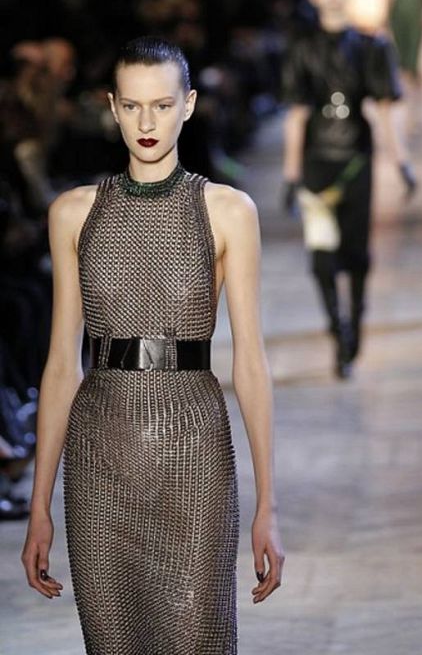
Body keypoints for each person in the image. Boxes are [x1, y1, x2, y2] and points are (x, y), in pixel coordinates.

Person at [20, 36, 284, 653]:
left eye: (162, 106)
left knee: (198, 639)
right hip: (98, 459)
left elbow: (250, 361)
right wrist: (39, 505)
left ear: (187, 105)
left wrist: (268, 505)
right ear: (112, 107)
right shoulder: (72, 214)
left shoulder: (228, 211)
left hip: (194, 451)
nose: (147, 123)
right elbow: (61, 365)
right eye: (133, 106)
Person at [281, 0, 416, 379]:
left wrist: (402, 161)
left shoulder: (370, 45)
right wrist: (291, 175)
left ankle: (355, 319)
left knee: (356, 253)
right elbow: (296, 114)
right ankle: (337, 328)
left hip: (357, 160)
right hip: (317, 164)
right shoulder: (301, 47)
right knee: (321, 258)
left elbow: (385, 109)